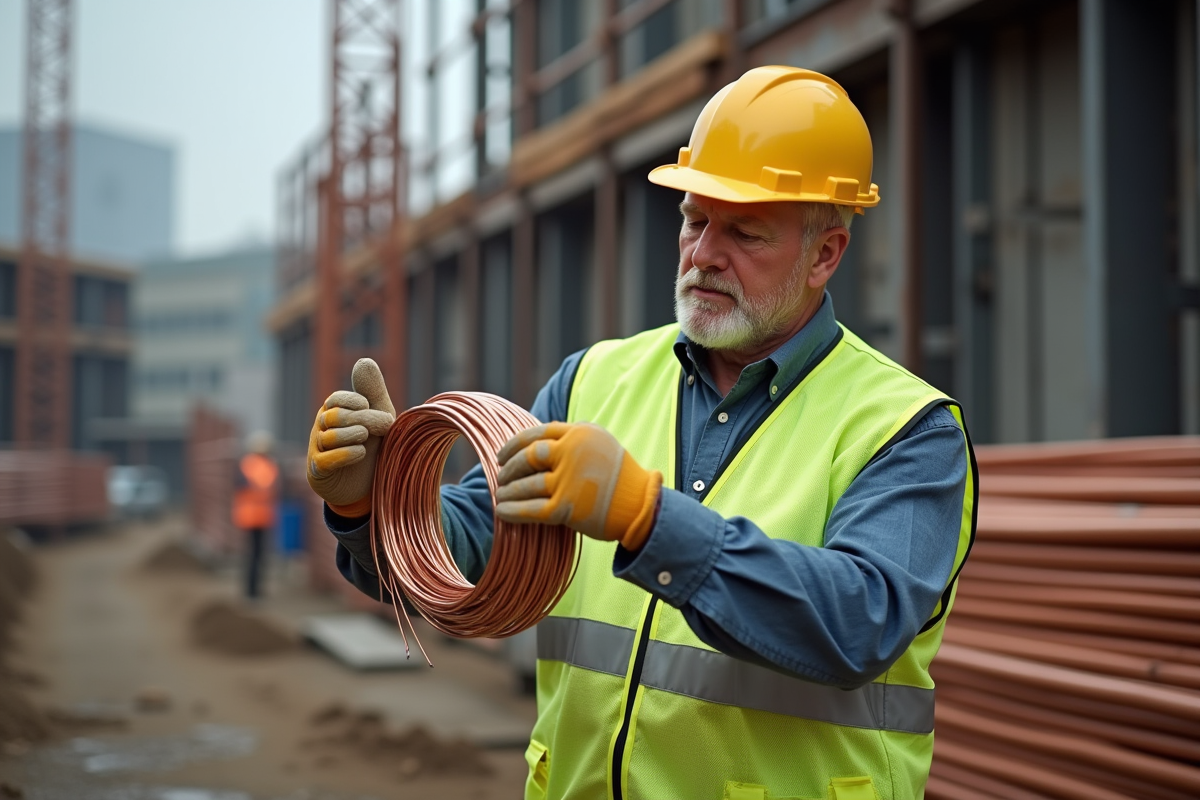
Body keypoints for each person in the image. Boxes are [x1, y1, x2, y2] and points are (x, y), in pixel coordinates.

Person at [307, 66, 977, 800]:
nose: (704, 254)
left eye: (745, 232)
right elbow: (472, 545)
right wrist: (372, 506)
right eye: (695, 220)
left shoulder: (904, 428)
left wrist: (644, 517)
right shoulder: (593, 380)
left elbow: (861, 623)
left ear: (826, 254)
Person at [233, 430, 278, 600]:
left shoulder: (246, 464)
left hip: (251, 516)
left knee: (253, 555)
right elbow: (265, 488)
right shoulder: (265, 466)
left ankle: (252, 590)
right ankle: (254, 591)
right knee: (257, 555)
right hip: (259, 516)